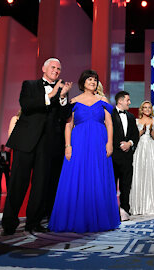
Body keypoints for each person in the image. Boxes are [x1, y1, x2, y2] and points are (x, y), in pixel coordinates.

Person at [1, 58, 73, 235]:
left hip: (48, 144)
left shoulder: (61, 90)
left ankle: (33, 222)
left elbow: (65, 116)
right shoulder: (30, 85)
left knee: (40, 185)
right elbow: (26, 105)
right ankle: (9, 223)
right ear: (44, 69)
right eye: (53, 67)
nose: (56, 71)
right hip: (25, 140)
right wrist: (51, 94)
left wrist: (62, 97)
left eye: (59, 69)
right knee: (18, 183)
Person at [48, 69, 120, 233]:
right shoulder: (73, 101)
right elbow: (68, 125)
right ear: (83, 83)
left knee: (98, 176)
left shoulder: (102, 100)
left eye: (95, 80)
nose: (93, 82)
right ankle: (75, 218)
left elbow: (109, 123)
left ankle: (99, 217)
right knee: (77, 176)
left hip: (98, 142)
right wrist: (68, 146)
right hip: (78, 142)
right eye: (89, 79)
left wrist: (110, 143)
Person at [129, 100, 154, 215]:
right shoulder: (136, 121)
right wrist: (141, 131)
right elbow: (134, 137)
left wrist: (150, 131)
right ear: (142, 109)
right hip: (139, 148)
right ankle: (138, 206)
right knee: (138, 173)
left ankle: (151, 205)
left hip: (150, 148)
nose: (147, 109)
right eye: (145, 107)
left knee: (150, 172)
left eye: (149, 107)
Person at [111, 91, 140, 221]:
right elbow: (107, 134)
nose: (129, 102)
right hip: (113, 156)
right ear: (120, 101)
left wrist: (129, 143)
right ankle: (111, 211)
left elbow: (135, 135)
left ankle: (125, 210)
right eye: (127, 100)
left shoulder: (131, 117)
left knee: (126, 185)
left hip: (127, 157)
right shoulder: (109, 115)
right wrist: (119, 145)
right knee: (111, 184)